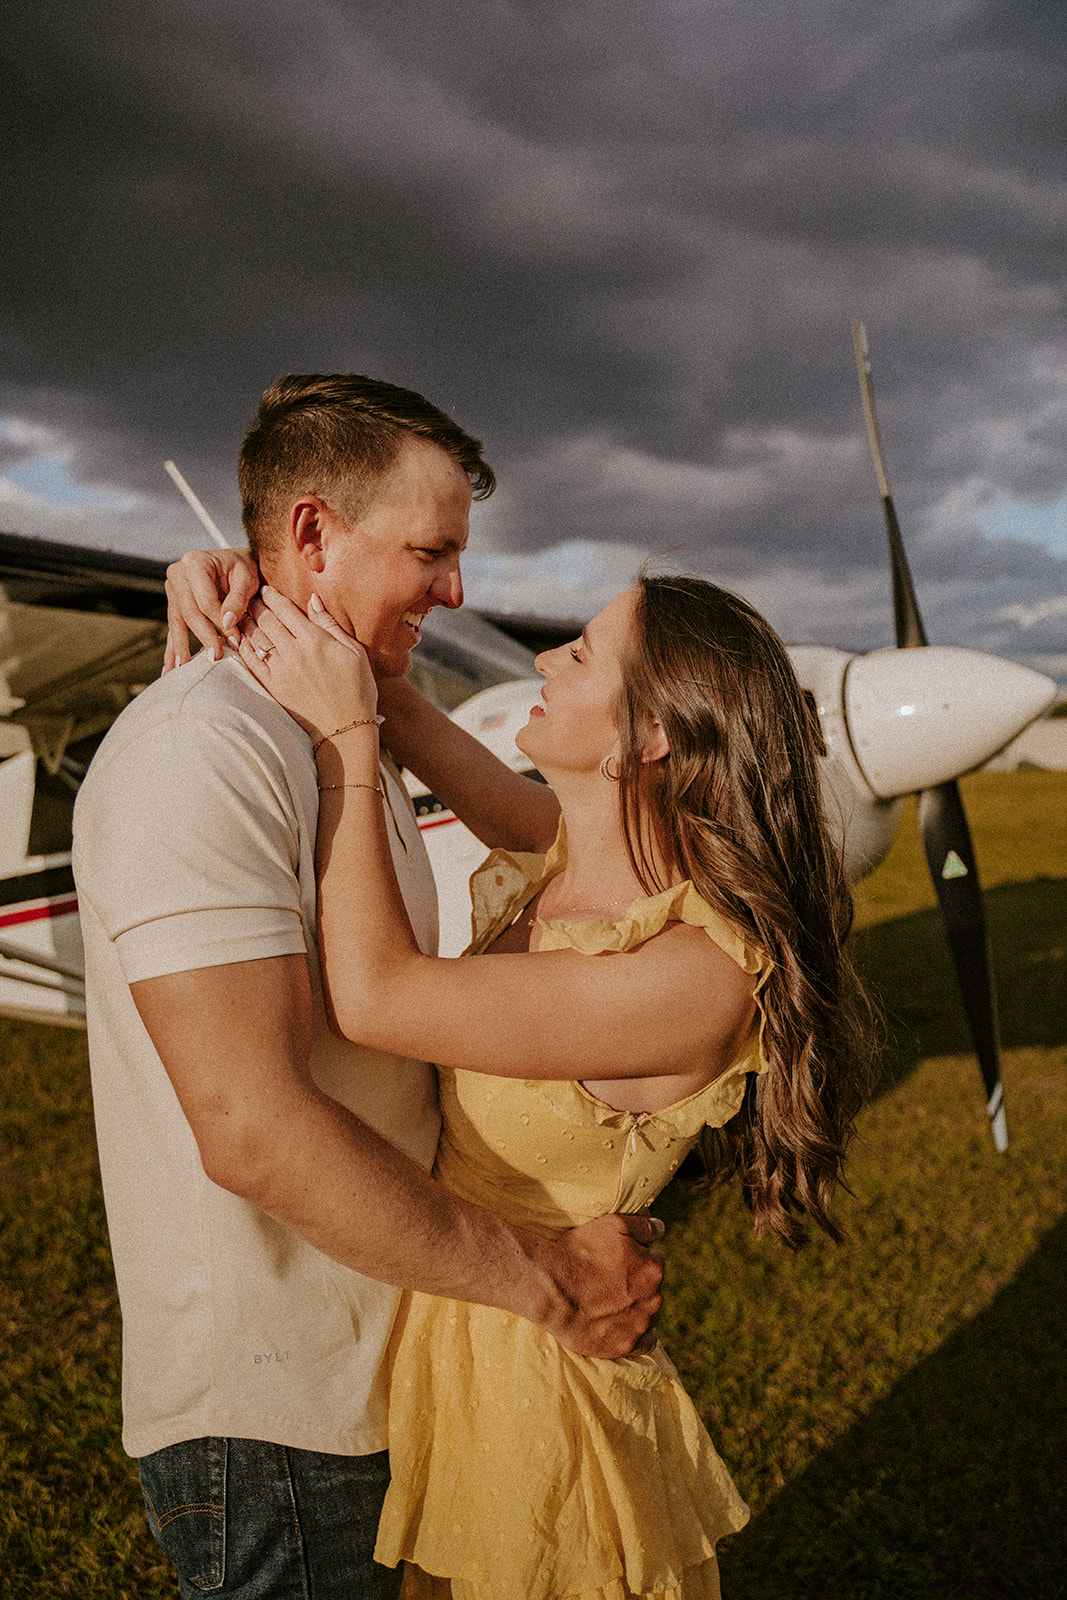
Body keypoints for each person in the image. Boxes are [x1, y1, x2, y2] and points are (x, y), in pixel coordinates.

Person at [72, 373, 663, 1600]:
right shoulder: (207, 746)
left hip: (388, 1360)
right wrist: (545, 1280)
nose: (455, 590)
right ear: (308, 532)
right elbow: (249, 1127)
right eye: (430, 551)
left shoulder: (340, 728)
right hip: (279, 1412)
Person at [174, 563, 873, 1600]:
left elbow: (372, 995)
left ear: (646, 739)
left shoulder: (690, 974)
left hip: (539, 1389)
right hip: (462, 1341)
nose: (544, 657)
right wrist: (229, 578)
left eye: (580, 652)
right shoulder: (566, 853)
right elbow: (396, 694)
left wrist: (347, 747)